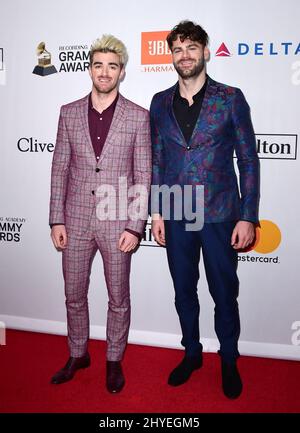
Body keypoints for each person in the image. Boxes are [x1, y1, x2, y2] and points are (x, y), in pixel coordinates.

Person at [150, 20, 259, 399]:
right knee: (184, 291)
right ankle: (192, 352)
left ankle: (228, 358)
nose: (185, 55)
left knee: (223, 292)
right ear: (172, 56)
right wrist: (157, 211)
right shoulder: (160, 102)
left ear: (206, 52)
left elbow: (248, 160)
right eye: (178, 49)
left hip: (219, 212)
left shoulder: (230, 98)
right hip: (177, 211)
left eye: (192, 47)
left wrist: (248, 215)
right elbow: (159, 159)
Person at [49, 34, 151, 393]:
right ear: (89, 69)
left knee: (118, 297)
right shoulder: (68, 112)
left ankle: (113, 358)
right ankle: (78, 353)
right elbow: (60, 167)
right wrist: (56, 219)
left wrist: (136, 227)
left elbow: (143, 176)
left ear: (121, 72)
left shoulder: (138, 117)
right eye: (98, 65)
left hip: (117, 223)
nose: (104, 72)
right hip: (74, 222)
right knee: (73, 293)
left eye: (112, 66)